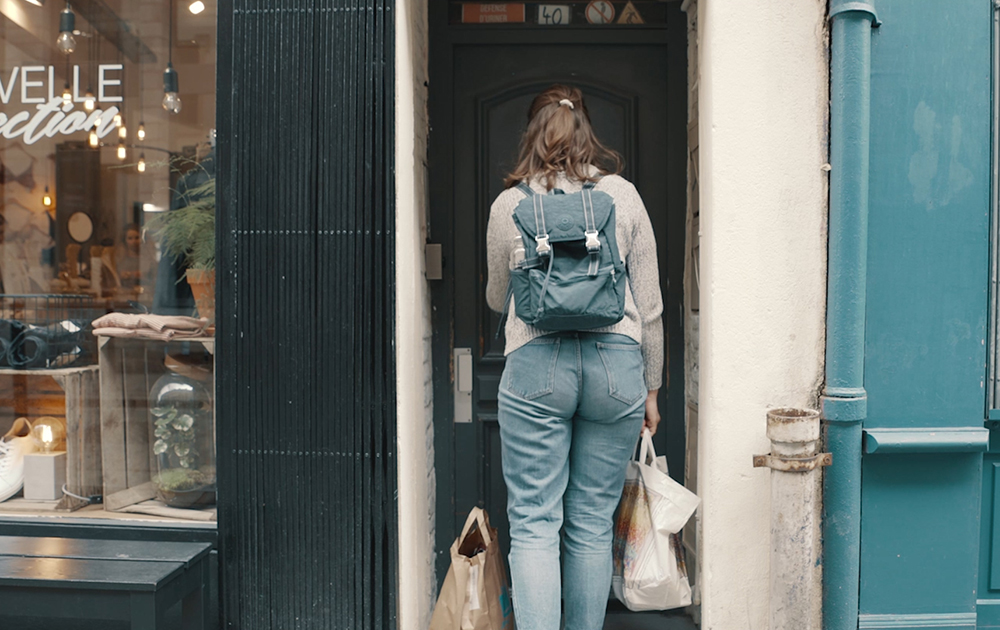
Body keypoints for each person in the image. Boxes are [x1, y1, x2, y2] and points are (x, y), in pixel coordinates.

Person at [485, 85, 664, 630]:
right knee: (589, 520)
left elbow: (498, 296)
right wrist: (652, 388)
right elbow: (650, 305)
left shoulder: (510, 204)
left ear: (531, 134)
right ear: (587, 131)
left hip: (537, 363)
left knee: (536, 522)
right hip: (616, 368)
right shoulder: (624, 195)